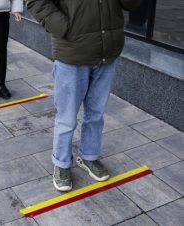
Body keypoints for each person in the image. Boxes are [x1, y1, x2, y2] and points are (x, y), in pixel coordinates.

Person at [26, 0, 141, 191]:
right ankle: (61, 163)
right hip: (72, 54)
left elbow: (131, 4)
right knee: (67, 118)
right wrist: (64, 27)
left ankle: (89, 157)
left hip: (106, 52)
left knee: (96, 115)